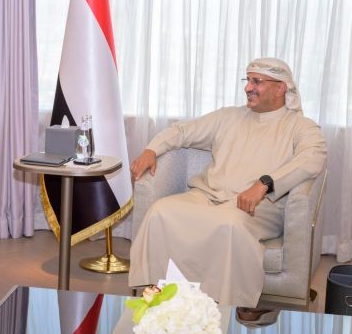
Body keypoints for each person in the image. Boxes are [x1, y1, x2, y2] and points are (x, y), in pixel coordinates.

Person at [128, 58, 327, 307]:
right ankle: (160, 294)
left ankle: (220, 305)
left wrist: (264, 183)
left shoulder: (301, 126)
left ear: (280, 88)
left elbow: (313, 158)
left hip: (259, 205)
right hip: (207, 195)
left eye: (257, 81)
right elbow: (183, 131)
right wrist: (151, 150)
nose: (248, 88)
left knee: (229, 223)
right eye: (248, 80)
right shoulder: (229, 116)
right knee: (161, 211)